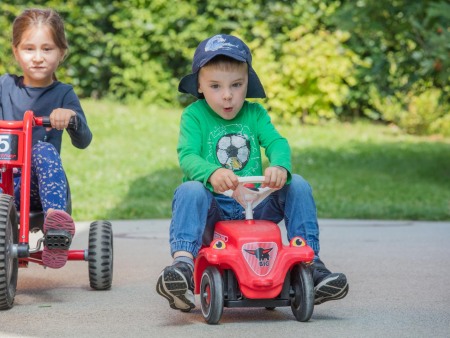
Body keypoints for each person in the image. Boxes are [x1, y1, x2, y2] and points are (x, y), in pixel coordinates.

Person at [156, 34, 348, 311]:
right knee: (190, 189)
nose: (227, 95)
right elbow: (187, 156)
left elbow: (277, 142)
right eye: (215, 86)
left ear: (248, 82)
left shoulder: (255, 114)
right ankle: (183, 265)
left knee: (299, 185)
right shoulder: (194, 116)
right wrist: (211, 173)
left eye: (236, 85)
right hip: (215, 208)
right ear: (199, 85)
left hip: (255, 204)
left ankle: (312, 263)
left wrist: (279, 166)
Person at [0, 8, 92, 268]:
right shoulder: (4, 87)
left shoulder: (63, 93)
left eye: (47, 49)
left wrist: (71, 117)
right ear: (16, 51)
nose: (38, 58)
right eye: (29, 49)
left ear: (62, 52)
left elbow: (84, 140)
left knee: (42, 149)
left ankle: (56, 227)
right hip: (4, 184)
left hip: (41, 191)